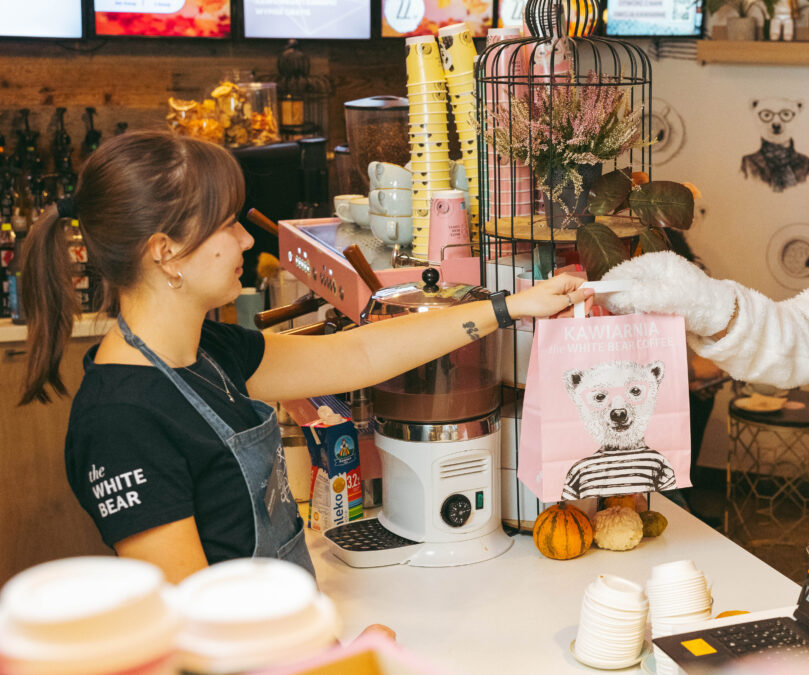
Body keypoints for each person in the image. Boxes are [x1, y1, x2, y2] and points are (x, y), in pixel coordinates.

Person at [19, 131, 590, 584]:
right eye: (226, 226)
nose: (246, 241)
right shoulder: (122, 419)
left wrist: (511, 306)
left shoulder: (208, 351)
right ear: (166, 252)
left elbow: (358, 353)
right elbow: (190, 619)